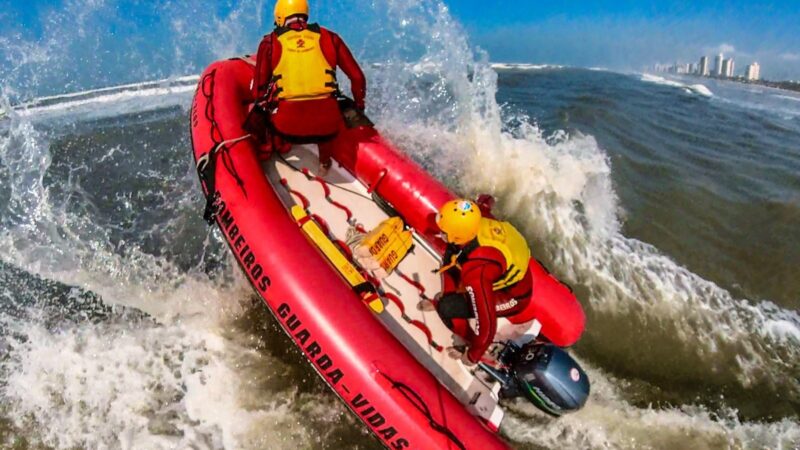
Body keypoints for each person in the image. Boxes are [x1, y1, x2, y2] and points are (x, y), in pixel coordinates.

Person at [249, 0, 366, 176]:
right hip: (327, 128)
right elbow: (358, 78)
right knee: (327, 108)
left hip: (286, 128)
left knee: (264, 105)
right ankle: (324, 163)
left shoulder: (269, 42)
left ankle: (272, 147)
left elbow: (258, 92)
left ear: (279, 17)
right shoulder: (331, 37)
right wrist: (359, 106)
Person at [420, 199, 538, 366]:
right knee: (450, 255)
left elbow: (487, 325)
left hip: (512, 297)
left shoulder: (477, 272)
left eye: (443, 231)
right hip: (502, 271)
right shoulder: (477, 219)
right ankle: (448, 300)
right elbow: (485, 202)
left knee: (446, 307)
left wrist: (472, 356)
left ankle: (471, 343)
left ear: (457, 234)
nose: (440, 232)